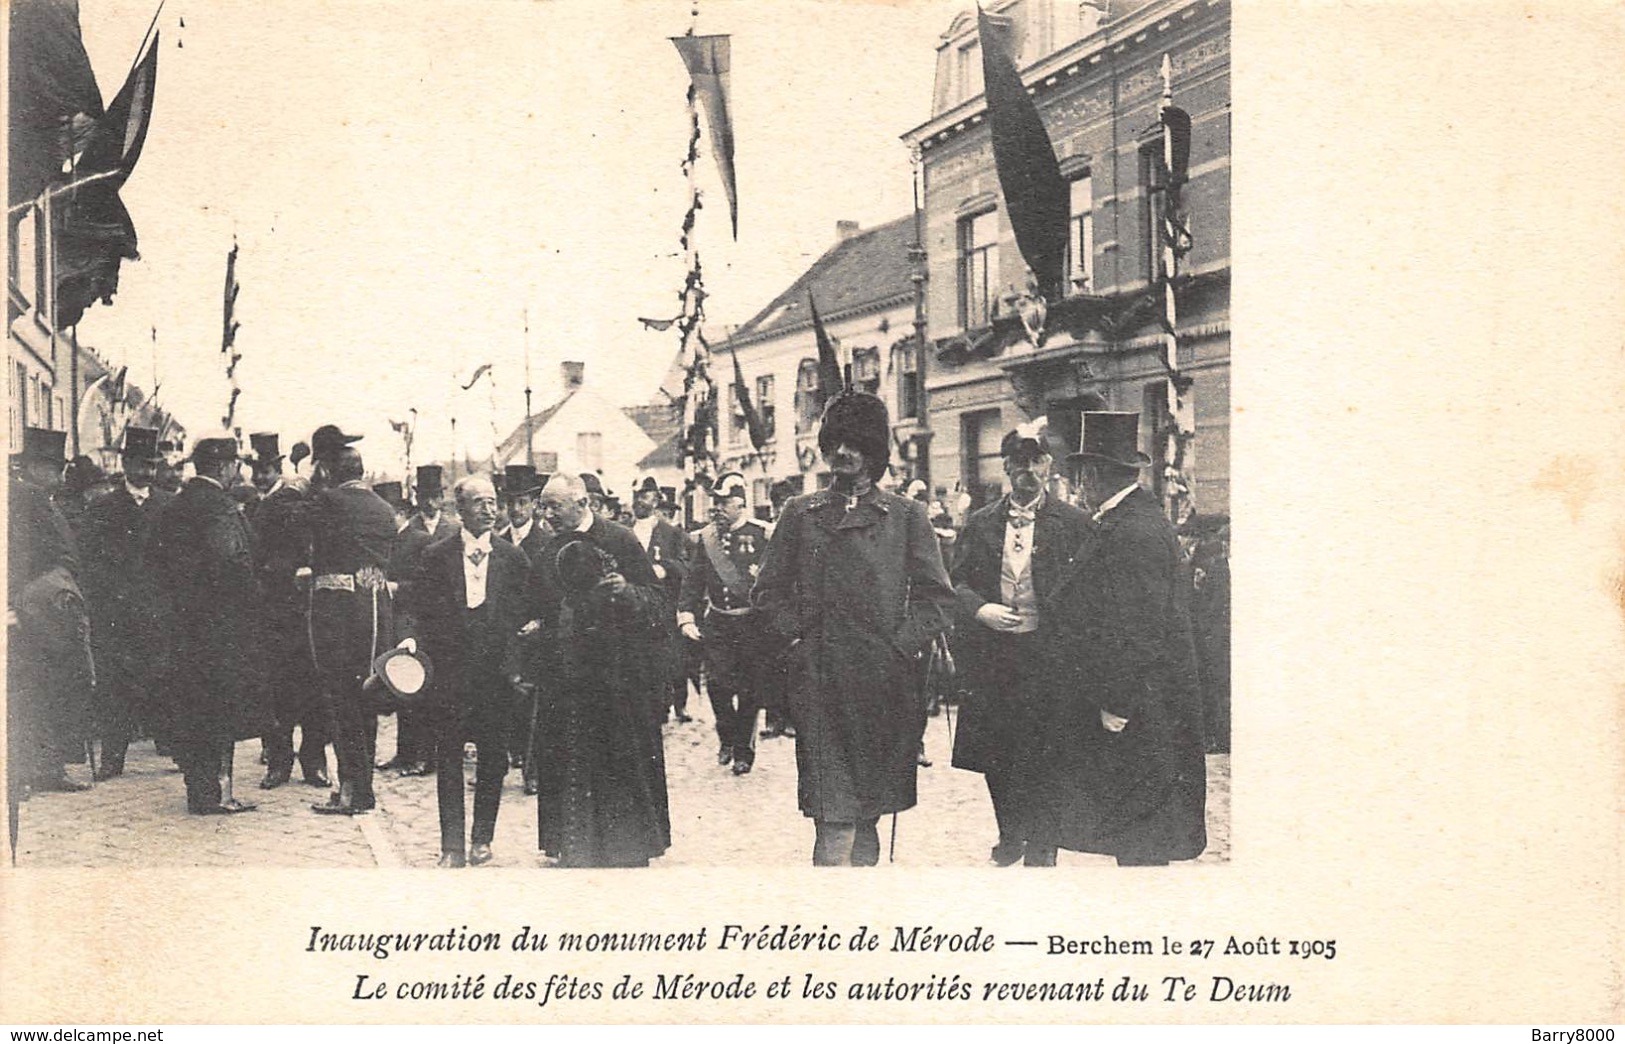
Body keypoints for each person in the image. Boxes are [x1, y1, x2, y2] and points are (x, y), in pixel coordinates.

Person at [752, 390, 955, 867]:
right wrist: (798, 641)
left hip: (883, 688)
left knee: (868, 812)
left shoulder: (906, 516)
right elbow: (766, 594)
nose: (842, 453)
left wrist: (898, 649)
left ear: (875, 454)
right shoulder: (799, 514)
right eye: (835, 442)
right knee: (833, 814)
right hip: (819, 686)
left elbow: (937, 600)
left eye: (855, 444)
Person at [1057, 411, 1207, 866]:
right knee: (1137, 835)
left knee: (1144, 841)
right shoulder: (1127, 520)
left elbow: (1139, 629)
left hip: (1142, 709)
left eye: (1081, 474)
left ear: (1093, 474)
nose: (1078, 485)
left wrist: (1116, 703)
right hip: (1144, 704)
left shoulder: (1133, 531)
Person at [948, 422, 1095, 866]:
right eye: (1019, 461)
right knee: (1000, 750)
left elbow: (1089, 591)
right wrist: (980, 610)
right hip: (996, 656)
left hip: (1049, 656)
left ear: (1049, 466)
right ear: (1006, 466)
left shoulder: (1074, 523)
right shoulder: (980, 523)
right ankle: (1011, 833)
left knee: (1047, 749)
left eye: (1037, 460)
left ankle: (1044, 842)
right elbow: (955, 581)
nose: (1028, 470)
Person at [530, 473, 671, 867]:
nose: (546, 514)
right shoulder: (548, 548)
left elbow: (659, 603)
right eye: (544, 506)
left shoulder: (621, 540)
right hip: (567, 679)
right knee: (568, 760)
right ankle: (572, 845)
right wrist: (537, 626)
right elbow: (537, 605)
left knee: (619, 762)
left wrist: (627, 592)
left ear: (581, 501)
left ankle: (625, 845)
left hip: (618, 679)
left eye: (553, 505)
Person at [406, 476, 530, 867]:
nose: (490, 510)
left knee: (493, 758)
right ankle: (452, 847)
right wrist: (412, 642)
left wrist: (516, 663)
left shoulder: (512, 558)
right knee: (449, 758)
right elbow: (416, 610)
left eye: (493, 502)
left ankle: (482, 839)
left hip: (494, 675)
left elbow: (527, 614)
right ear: (460, 509)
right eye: (480, 503)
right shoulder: (435, 555)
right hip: (450, 674)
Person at [148, 432, 271, 814]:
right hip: (220, 628)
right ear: (225, 466)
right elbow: (231, 562)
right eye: (236, 465)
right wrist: (252, 596)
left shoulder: (174, 505)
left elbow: (153, 560)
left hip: (181, 625)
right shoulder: (220, 507)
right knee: (219, 708)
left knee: (190, 707)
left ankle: (199, 791)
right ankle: (218, 793)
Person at [305, 426, 397, 816]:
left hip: (337, 616)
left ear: (329, 470)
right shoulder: (384, 508)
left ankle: (348, 792)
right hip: (376, 613)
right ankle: (365, 791)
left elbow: (302, 532)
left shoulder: (326, 503)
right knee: (367, 700)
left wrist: (315, 482)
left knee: (341, 703)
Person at [76, 426, 174, 780]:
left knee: (162, 677)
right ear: (125, 463)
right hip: (117, 611)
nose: (147, 472)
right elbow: (89, 558)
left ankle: (174, 748)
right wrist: (109, 594)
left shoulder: (168, 505)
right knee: (115, 683)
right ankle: (113, 758)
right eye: (139, 464)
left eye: (151, 465)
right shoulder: (104, 506)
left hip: (157, 609)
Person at [7, 428, 94, 801]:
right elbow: (19, 557)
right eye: (55, 469)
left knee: (44, 689)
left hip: (42, 610)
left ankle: (41, 768)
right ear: (36, 468)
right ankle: (33, 770)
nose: (60, 477)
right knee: (36, 691)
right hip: (36, 612)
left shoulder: (38, 496)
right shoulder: (28, 498)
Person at [241, 432, 329, 790]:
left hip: (300, 609)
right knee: (274, 689)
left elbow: (305, 551)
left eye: (267, 470)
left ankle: (314, 761)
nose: (261, 477)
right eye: (256, 471)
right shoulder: (249, 507)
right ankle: (278, 762)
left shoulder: (295, 501)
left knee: (311, 687)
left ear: (278, 469)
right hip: (269, 613)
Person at [678, 471, 772, 774]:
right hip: (718, 622)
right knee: (717, 686)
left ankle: (743, 751)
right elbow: (693, 581)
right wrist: (686, 615)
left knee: (749, 691)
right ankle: (726, 735)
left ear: (740, 504)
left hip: (750, 625)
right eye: (715, 503)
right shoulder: (707, 539)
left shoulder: (762, 534)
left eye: (723, 503)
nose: (717, 508)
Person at [373, 481, 435, 777]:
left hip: (414, 623)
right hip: (392, 622)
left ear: (398, 512)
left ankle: (423, 756)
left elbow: (427, 587)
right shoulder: (388, 541)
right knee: (399, 690)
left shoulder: (420, 540)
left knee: (417, 691)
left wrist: (397, 588)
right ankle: (404, 753)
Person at [630, 476, 691, 724]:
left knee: (664, 660)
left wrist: (665, 569)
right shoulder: (624, 531)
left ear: (656, 500)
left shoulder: (671, 533)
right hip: (633, 607)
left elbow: (687, 565)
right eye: (636, 497)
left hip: (662, 608)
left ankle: (664, 706)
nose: (639, 502)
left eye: (645, 497)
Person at [409, 465, 460, 541]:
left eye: (434, 496)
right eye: (425, 497)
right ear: (417, 499)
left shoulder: (455, 527)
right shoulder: (410, 527)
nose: (429, 502)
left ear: (442, 498)